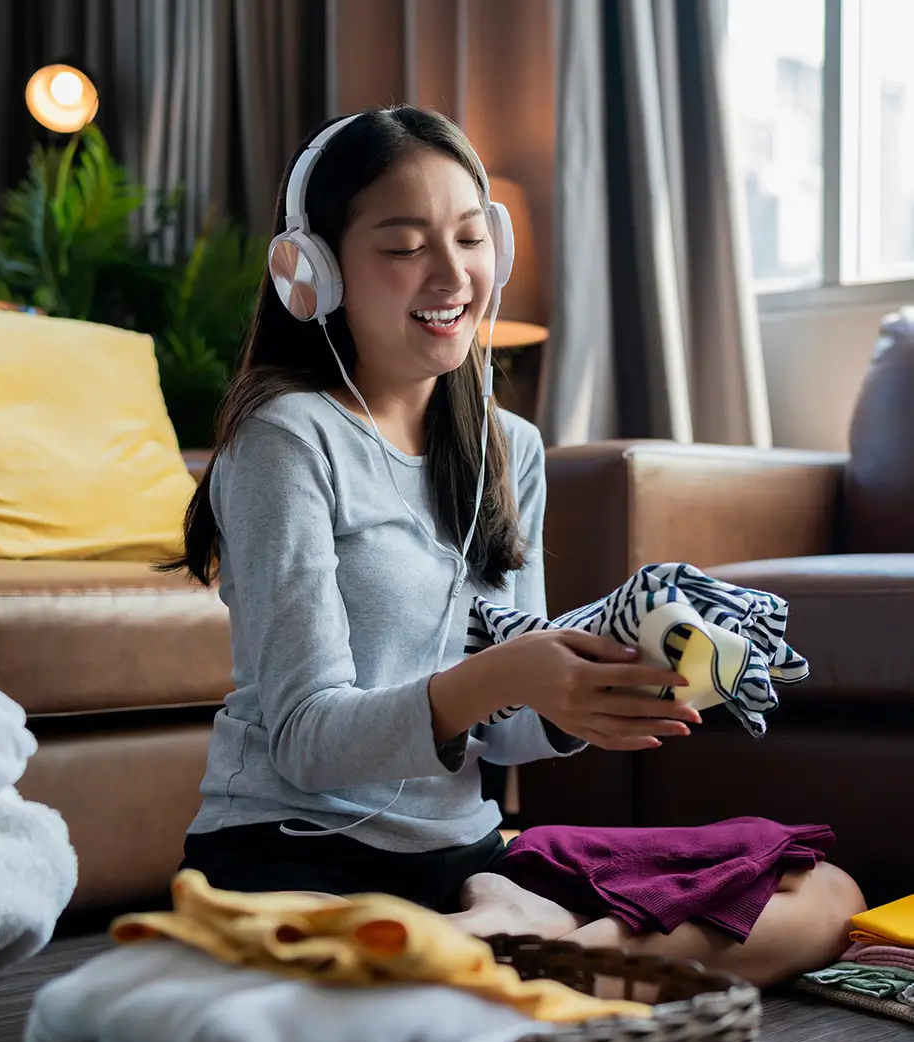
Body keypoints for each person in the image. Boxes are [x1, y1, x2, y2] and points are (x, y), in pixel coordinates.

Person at [167, 105, 863, 989]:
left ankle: (537, 951)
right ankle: (520, 955)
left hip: (462, 862)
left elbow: (507, 737)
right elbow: (305, 741)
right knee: (349, 994)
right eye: (404, 244)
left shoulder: (510, 448)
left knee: (822, 892)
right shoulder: (288, 440)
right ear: (315, 272)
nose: (451, 272)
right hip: (293, 856)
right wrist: (512, 673)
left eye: (468, 237)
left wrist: (593, 686)